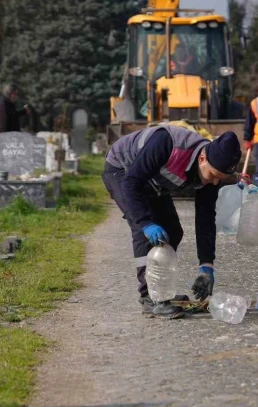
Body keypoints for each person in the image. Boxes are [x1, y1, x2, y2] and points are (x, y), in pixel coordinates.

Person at [103, 125, 241, 317]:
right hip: (123, 170)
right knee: (145, 232)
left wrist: (206, 266)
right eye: (214, 176)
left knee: (173, 231)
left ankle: (162, 292)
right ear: (202, 158)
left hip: (152, 180)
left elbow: (205, 220)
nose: (215, 183)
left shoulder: (212, 173)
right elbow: (131, 183)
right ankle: (150, 299)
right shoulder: (167, 144)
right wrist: (145, 223)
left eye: (221, 179)